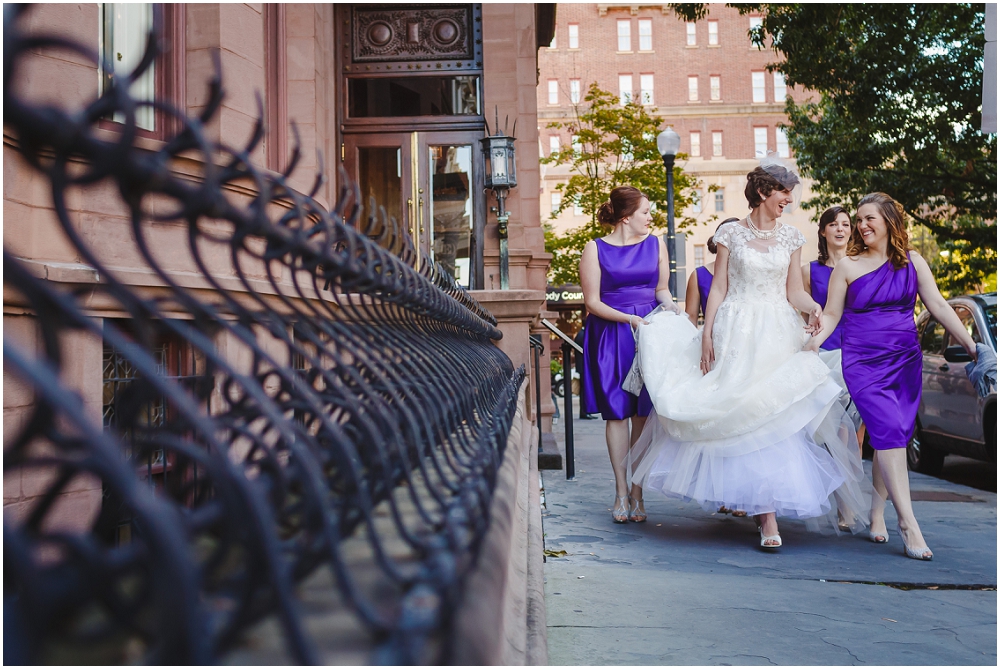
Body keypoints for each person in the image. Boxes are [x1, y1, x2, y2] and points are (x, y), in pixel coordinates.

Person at [630, 156, 869, 549]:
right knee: (741, 413)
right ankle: (763, 515)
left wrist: (811, 309)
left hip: (777, 331)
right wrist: (707, 334)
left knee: (771, 416)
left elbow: (794, 290)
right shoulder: (732, 236)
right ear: (762, 192)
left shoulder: (792, 237)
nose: (789, 200)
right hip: (736, 330)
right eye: (784, 192)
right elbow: (720, 287)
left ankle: (768, 516)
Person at [806, 192, 977, 560]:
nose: (863, 225)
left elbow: (939, 306)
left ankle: (878, 512)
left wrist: (974, 345)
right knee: (886, 433)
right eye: (860, 219)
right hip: (863, 363)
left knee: (894, 437)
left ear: (888, 221)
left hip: (905, 362)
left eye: (870, 218)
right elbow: (833, 315)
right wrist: (814, 342)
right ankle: (909, 523)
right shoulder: (847, 267)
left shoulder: (914, 262)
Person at [579, 186, 677, 524]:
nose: (651, 218)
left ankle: (638, 489)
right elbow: (592, 302)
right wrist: (630, 318)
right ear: (626, 217)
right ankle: (621, 490)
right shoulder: (594, 249)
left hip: (649, 332)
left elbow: (662, 290)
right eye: (645, 212)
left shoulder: (656, 244)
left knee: (643, 414)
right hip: (611, 333)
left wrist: (676, 313)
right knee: (617, 413)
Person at [683, 217, 747, 517]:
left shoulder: (748, 273)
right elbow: (689, 318)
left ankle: (742, 493)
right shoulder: (700, 275)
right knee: (720, 424)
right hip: (713, 353)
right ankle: (722, 491)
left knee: (742, 421)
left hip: (745, 350)